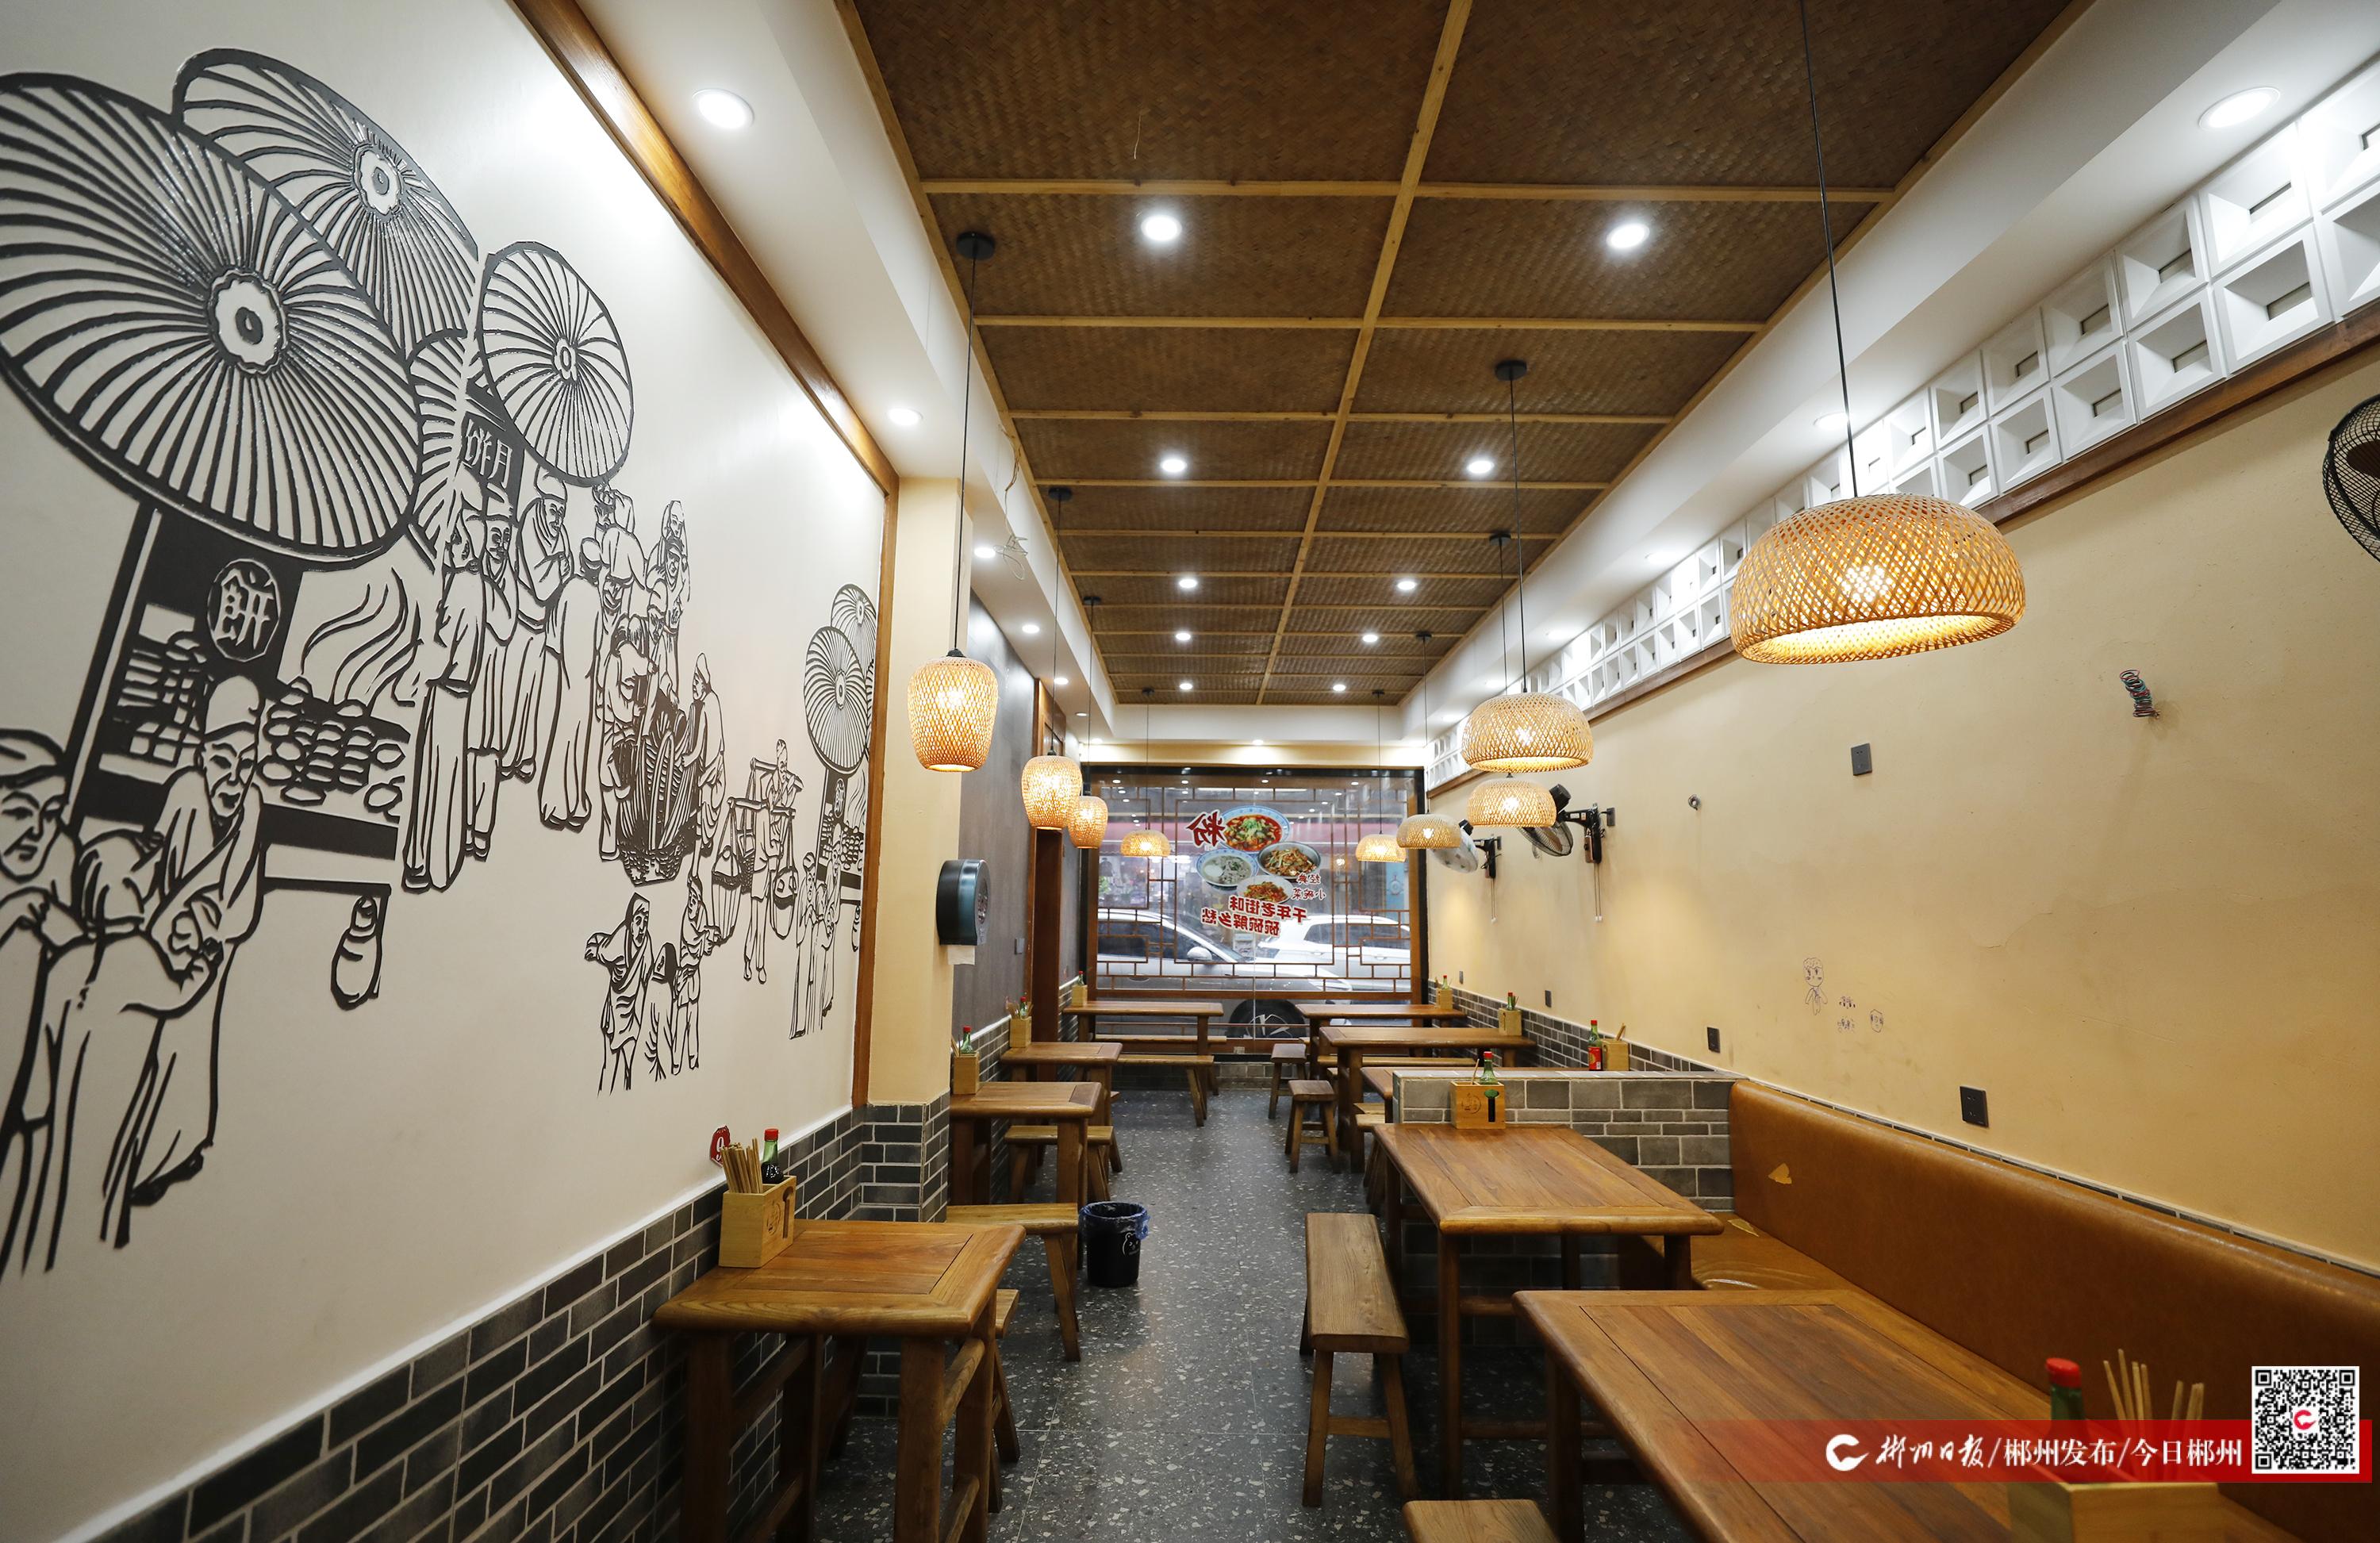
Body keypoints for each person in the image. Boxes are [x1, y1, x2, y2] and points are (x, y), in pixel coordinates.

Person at [133, 674, 265, 1204]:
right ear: (203, 756)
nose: (233, 779)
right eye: (223, 762)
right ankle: (140, 1159)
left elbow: (243, 891)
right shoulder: (185, 792)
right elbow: (153, 865)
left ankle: (183, 1143)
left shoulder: (253, 806)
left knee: (193, 1045)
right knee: (152, 1045)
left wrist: (215, 924)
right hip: (165, 946)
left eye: (245, 764)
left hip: (212, 949)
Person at [0, 731, 80, 1270]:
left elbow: (76, 953)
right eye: (19, 812)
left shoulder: (58, 852)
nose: (39, 830)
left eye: (51, 813)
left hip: (28, 1070)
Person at [404, 517, 490, 892]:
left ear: (468, 547)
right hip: (458, 696)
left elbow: (444, 648)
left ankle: (425, 860)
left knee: (436, 777)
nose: (450, 544)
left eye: (456, 538)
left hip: (447, 692)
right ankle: (436, 860)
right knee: (446, 777)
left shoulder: (462, 586)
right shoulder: (476, 586)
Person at [499, 466, 570, 781]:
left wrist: (561, 567)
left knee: (532, 696)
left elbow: (565, 571)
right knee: (513, 691)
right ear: (543, 504)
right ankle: (506, 752)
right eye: (554, 510)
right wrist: (560, 567)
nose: (557, 518)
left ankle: (525, 754)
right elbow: (542, 585)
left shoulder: (560, 534)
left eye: (562, 513)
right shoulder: (530, 523)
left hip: (540, 628)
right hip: (520, 623)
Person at [465, 492, 519, 861]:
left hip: (495, 685)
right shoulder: (474, 573)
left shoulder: (505, 581)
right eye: (495, 536)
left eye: (505, 538)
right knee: (469, 753)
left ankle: (481, 829)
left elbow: (504, 624)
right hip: (472, 680)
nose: (499, 545)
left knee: (488, 757)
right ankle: (466, 824)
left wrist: (484, 587)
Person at [538, 534, 605, 831]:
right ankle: (565, 802)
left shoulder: (570, 590)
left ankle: (563, 802)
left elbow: (554, 635)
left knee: (568, 735)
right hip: (580, 678)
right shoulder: (590, 596)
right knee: (575, 738)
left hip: (573, 676)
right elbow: (598, 643)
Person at [585, 894, 660, 1092]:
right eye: (638, 920)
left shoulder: (646, 943)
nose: (642, 927)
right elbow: (603, 952)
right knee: (610, 1065)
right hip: (616, 1011)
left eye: (645, 921)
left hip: (633, 1015)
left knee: (628, 1069)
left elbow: (649, 971)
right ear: (630, 921)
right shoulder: (621, 938)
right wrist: (595, 949)